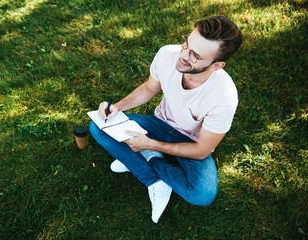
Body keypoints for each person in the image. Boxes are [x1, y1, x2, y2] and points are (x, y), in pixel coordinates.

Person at [89, 15, 243, 223]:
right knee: (98, 126)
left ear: (216, 66)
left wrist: (152, 145)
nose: (183, 55)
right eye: (186, 44)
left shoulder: (224, 97)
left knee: (202, 195)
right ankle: (153, 181)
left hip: (191, 142)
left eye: (195, 55)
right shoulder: (168, 54)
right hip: (159, 123)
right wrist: (117, 106)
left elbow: (201, 150)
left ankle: (149, 157)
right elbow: (149, 88)